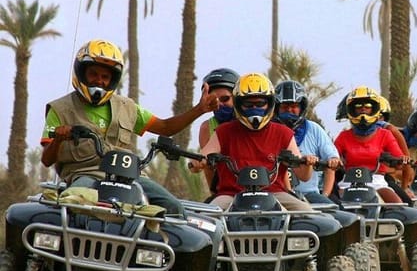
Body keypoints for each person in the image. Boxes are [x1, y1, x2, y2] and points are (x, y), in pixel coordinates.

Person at [41, 39, 219, 216]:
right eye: (93, 74)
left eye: (105, 77)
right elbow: (46, 160)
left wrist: (200, 109)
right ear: (81, 73)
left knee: (173, 208)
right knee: (74, 203)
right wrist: (58, 138)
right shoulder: (60, 109)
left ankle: (151, 245)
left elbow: (166, 127)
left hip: (128, 176)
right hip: (86, 175)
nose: (99, 81)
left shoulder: (127, 107)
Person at [191, 72, 315, 211]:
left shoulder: (283, 132)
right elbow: (202, 158)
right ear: (238, 104)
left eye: (260, 104)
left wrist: (307, 163)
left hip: (275, 194)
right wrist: (197, 161)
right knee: (207, 219)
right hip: (230, 195)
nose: (254, 109)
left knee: (309, 215)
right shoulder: (223, 131)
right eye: (248, 104)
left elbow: (303, 176)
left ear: (269, 104)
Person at [334, 86, 409, 203]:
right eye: (358, 106)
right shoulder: (343, 136)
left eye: (367, 106)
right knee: (339, 206)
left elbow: (400, 162)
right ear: (352, 110)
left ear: (374, 108)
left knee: (398, 204)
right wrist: (333, 161)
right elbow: (332, 156)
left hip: (377, 181)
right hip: (348, 182)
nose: (363, 110)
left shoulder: (386, 134)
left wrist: (399, 160)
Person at [274, 79, 340, 204]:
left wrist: (325, 195)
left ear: (301, 107)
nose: (289, 110)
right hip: (276, 194)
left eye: (294, 106)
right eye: (284, 107)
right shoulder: (270, 130)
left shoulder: (313, 129)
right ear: (276, 108)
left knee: (335, 214)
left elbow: (332, 161)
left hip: (309, 194)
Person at [197, 67, 239, 189]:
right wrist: (214, 194)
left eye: (225, 99)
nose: (219, 104)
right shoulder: (207, 128)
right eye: (213, 100)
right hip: (227, 190)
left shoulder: (250, 122)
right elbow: (208, 169)